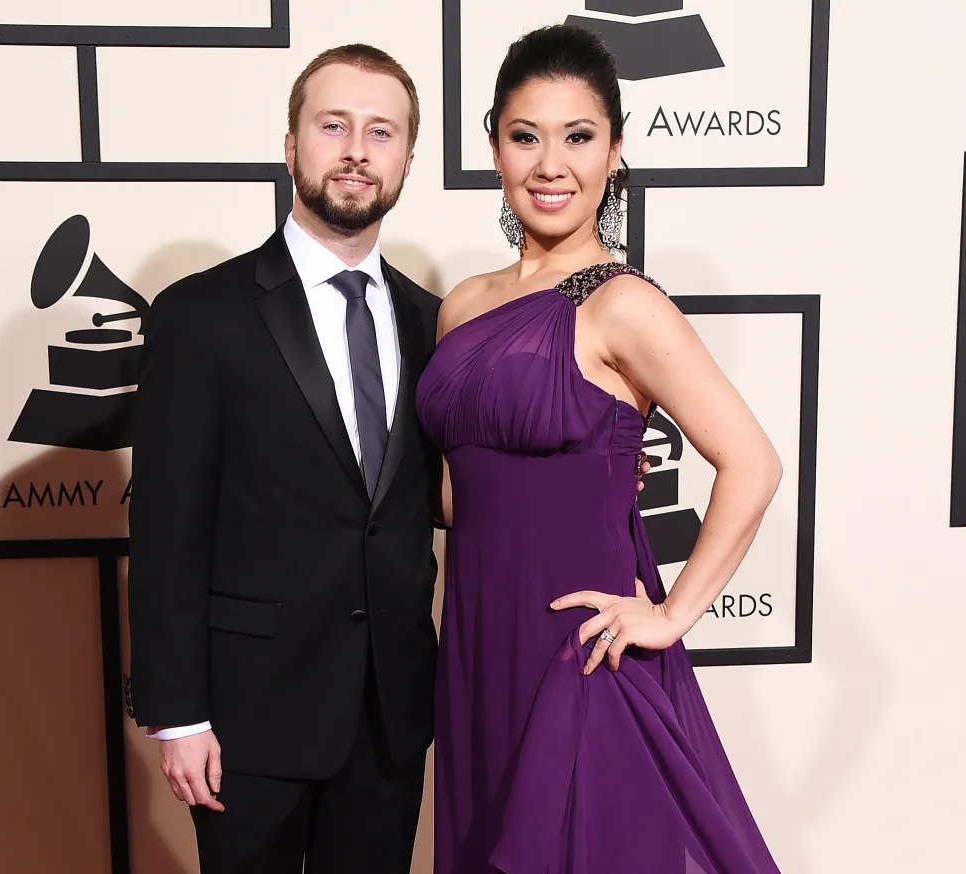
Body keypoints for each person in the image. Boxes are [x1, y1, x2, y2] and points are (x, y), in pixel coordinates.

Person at [416, 24, 785, 874]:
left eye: (579, 137)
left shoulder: (622, 304)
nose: (552, 165)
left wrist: (670, 614)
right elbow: (454, 494)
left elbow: (753, 464)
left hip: (577, 651)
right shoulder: (462, 306)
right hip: (475, 647)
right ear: (494, 148)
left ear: (615, 151)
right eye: (526, 136)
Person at [126, 44, 444, 874]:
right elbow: (165, 529)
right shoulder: (202, 316)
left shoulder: (435, 324)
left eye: (382, 132)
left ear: (408, 157)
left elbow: (442, 495)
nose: (355, 150)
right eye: (332, 124)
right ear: (292, 142)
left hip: (390, 712)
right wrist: (178, 715)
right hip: (245, 716)